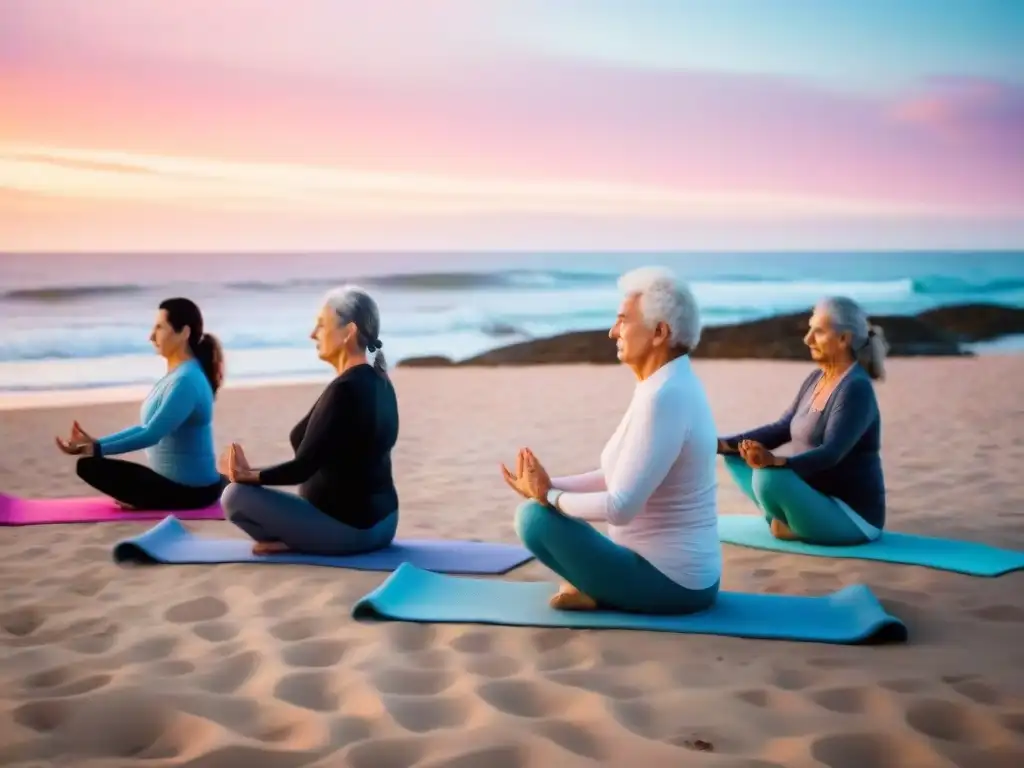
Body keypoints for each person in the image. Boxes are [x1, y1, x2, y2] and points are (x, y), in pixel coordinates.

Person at [501, 267, 722, 614]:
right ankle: (593, 584)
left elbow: (621, 507)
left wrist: (548, 497)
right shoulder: (664, 386)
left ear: (659, 332)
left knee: (534, 519)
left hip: (674, 584)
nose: (612, 331)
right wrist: (547, 486)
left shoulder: (665, 397)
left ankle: (593, 586)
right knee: (537, 508)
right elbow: (619, 476)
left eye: (623, 321)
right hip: (672, 573)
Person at [220, 285, 399, 556]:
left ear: (348, 332)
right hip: (384, 524)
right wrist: (252, 474)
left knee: (235, 496)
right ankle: (300, 537)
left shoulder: (346, 389)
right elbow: (319, 455)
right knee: (242, 488)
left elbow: (301, 469)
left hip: (352, 532)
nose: (312, 334)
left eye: (321, 325)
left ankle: (298, 541)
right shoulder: (380, 382)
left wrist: (248, 476)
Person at [718, 296, 889, 546]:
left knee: (768, 476)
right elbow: (781, 428)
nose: (807, 339)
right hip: (816, 499)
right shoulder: (815, 379)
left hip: (852, 517)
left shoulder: (855, 388)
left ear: (844, 339)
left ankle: (788, 524)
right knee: (735, 457)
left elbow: (831, 453)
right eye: (809, 330)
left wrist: (776, 462)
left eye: (818, 332)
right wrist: (721, 444)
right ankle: (789, 521)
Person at [55, 298, 225, 510]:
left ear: (184, 333)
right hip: (183, 485)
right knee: (93, 462)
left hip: (189, 492)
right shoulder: (179, 375)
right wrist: (97, 444)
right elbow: (144, 428)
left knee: (88, 466)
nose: (152, 336)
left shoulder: (186, 381)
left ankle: (152, 500)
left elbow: (151, 434)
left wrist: (95, 449)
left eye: (160, 327)